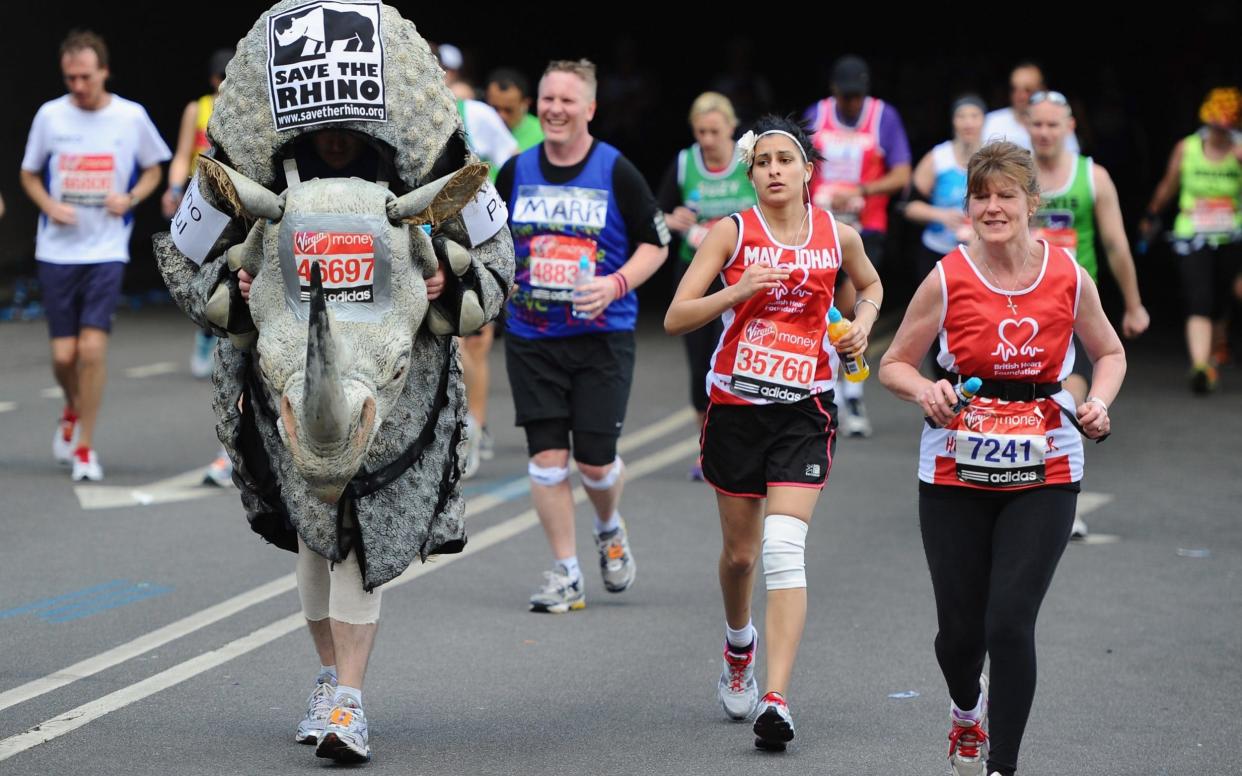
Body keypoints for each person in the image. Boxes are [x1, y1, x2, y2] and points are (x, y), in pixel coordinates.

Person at [879, 141, 1125, 776]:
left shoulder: (1069, 276)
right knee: (960, 637)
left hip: (1046, 465)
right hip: (956, 468)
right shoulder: (947, 276)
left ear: (1031, 203)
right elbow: (894, 364)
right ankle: (966, 710)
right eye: (981, 196)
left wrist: (1096, 403)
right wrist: (926, 389)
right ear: (968, 206)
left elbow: (1111, 352)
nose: (993, 208)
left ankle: (1002, 766)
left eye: (1006, 195)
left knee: (1010, 622)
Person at [665, 116, 882, 750]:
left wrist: (862, 323)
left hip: (803, 409)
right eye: (763, 162)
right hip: (735, 406)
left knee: (785, 546)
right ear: (750, 173)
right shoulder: (730, 233)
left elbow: (870, 284)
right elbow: (678, 315)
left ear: (808, 169)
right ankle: (740, 647)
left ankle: (777, 699)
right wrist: (737, 291)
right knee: (741, 556)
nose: (775, 170)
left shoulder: (836, 235)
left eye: (786, 159)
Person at [236, 128, 452, 762]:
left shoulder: (415, 161)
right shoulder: (269, 166)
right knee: (314, 536)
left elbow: (485, 256)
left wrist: (442, 279)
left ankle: (349, 700)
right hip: (298, 383)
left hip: (386, 392)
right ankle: (330, 678)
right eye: (320, 129)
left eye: (346, 129)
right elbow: (211, 262)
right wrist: (246, 285)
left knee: (355, 536)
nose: (333, 140)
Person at [495, 59, 670, 613]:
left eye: (567, 101)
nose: (554, 109)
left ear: (590, 109)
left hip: (601, 338)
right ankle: (566, 573)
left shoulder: (615, 170)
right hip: (531, 336)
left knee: (594, 462)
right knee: (547, 461)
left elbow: (657, 243)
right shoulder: (515, 170)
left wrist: (615, 284)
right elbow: (484, 241)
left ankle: (609, 526)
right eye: (548, 99)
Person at [20, 30, 170, 482]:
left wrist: (131, 197)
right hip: (57, 251)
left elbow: (153, 168)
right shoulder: (50, 116)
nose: (78, 86)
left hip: (106, 249)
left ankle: (84, 447)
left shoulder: (130, 117)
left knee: (91, 348)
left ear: (103, 71)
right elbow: (28, 174)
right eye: (70, 78)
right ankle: (72, 406)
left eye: (85, 76)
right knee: (64, 356)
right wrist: (49, 206)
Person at [1027, 90, 1148, 537]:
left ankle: (1063, 501)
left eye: (1052, 125)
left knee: (1066, 401)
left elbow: (1116, 245)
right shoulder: (1016, 177)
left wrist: (1133, 305)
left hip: (1072, 308)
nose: (1043, 133)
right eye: (1036, 124)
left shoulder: (1093, 177)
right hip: (1017, 304)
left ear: (1070, 127)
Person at [804, 54, 911, 437]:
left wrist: (862, 190)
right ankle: (828, 387)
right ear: (834, 91)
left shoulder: (884, 117)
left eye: (857, 96)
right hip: (820, 226)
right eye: (846, 96)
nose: (852, 103)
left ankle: (852, 388)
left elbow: (901, 172)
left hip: (867, 227)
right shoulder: (816, 114)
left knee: (849, 306)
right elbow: (798, 163)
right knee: (821, 305)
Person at [657, 91, 756, 480]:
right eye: (701, 131)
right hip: (695, 275)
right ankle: (707, 448)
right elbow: (656, 214)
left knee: (740, 359)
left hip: (744, 276)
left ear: (732, 127)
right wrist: (673, 218)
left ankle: (745, 444)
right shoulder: (684, 163)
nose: (708, 139)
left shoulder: (750, 162)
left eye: (715, 131)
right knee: (702, 364)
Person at [1140, 87, 1242, 394]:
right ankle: (1199, 365)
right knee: (1200, 298)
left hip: (1230, 236)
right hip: (1192, 235)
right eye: (1215, 127)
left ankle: (1211, 358)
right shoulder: (1188, 148)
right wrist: (1152, 215)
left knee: (1221, 301)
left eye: (1227, 129)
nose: (1220, 134)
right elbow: (1169, 185)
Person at [162, 48, 233, 385]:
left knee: (233, 269)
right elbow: (181, 155)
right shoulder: (197, 109)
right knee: (203, 271)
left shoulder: (245, 108)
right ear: (213, 80)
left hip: (234, 202)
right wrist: (173, 189)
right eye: (220, 80)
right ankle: (206, 336)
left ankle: (230, 339)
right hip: (201, 200)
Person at [982, 62, 1080, 153]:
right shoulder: (991, 122)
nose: (1020, 96)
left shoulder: (1059, 123)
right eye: (1014, 89)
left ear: (1043, 89)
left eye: (1028, 90)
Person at [486, 68, 545, 153]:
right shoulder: (475, 129)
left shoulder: (543, 135)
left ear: (526, 104)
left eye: (508, 110)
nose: (501, 116)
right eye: (495, 108)